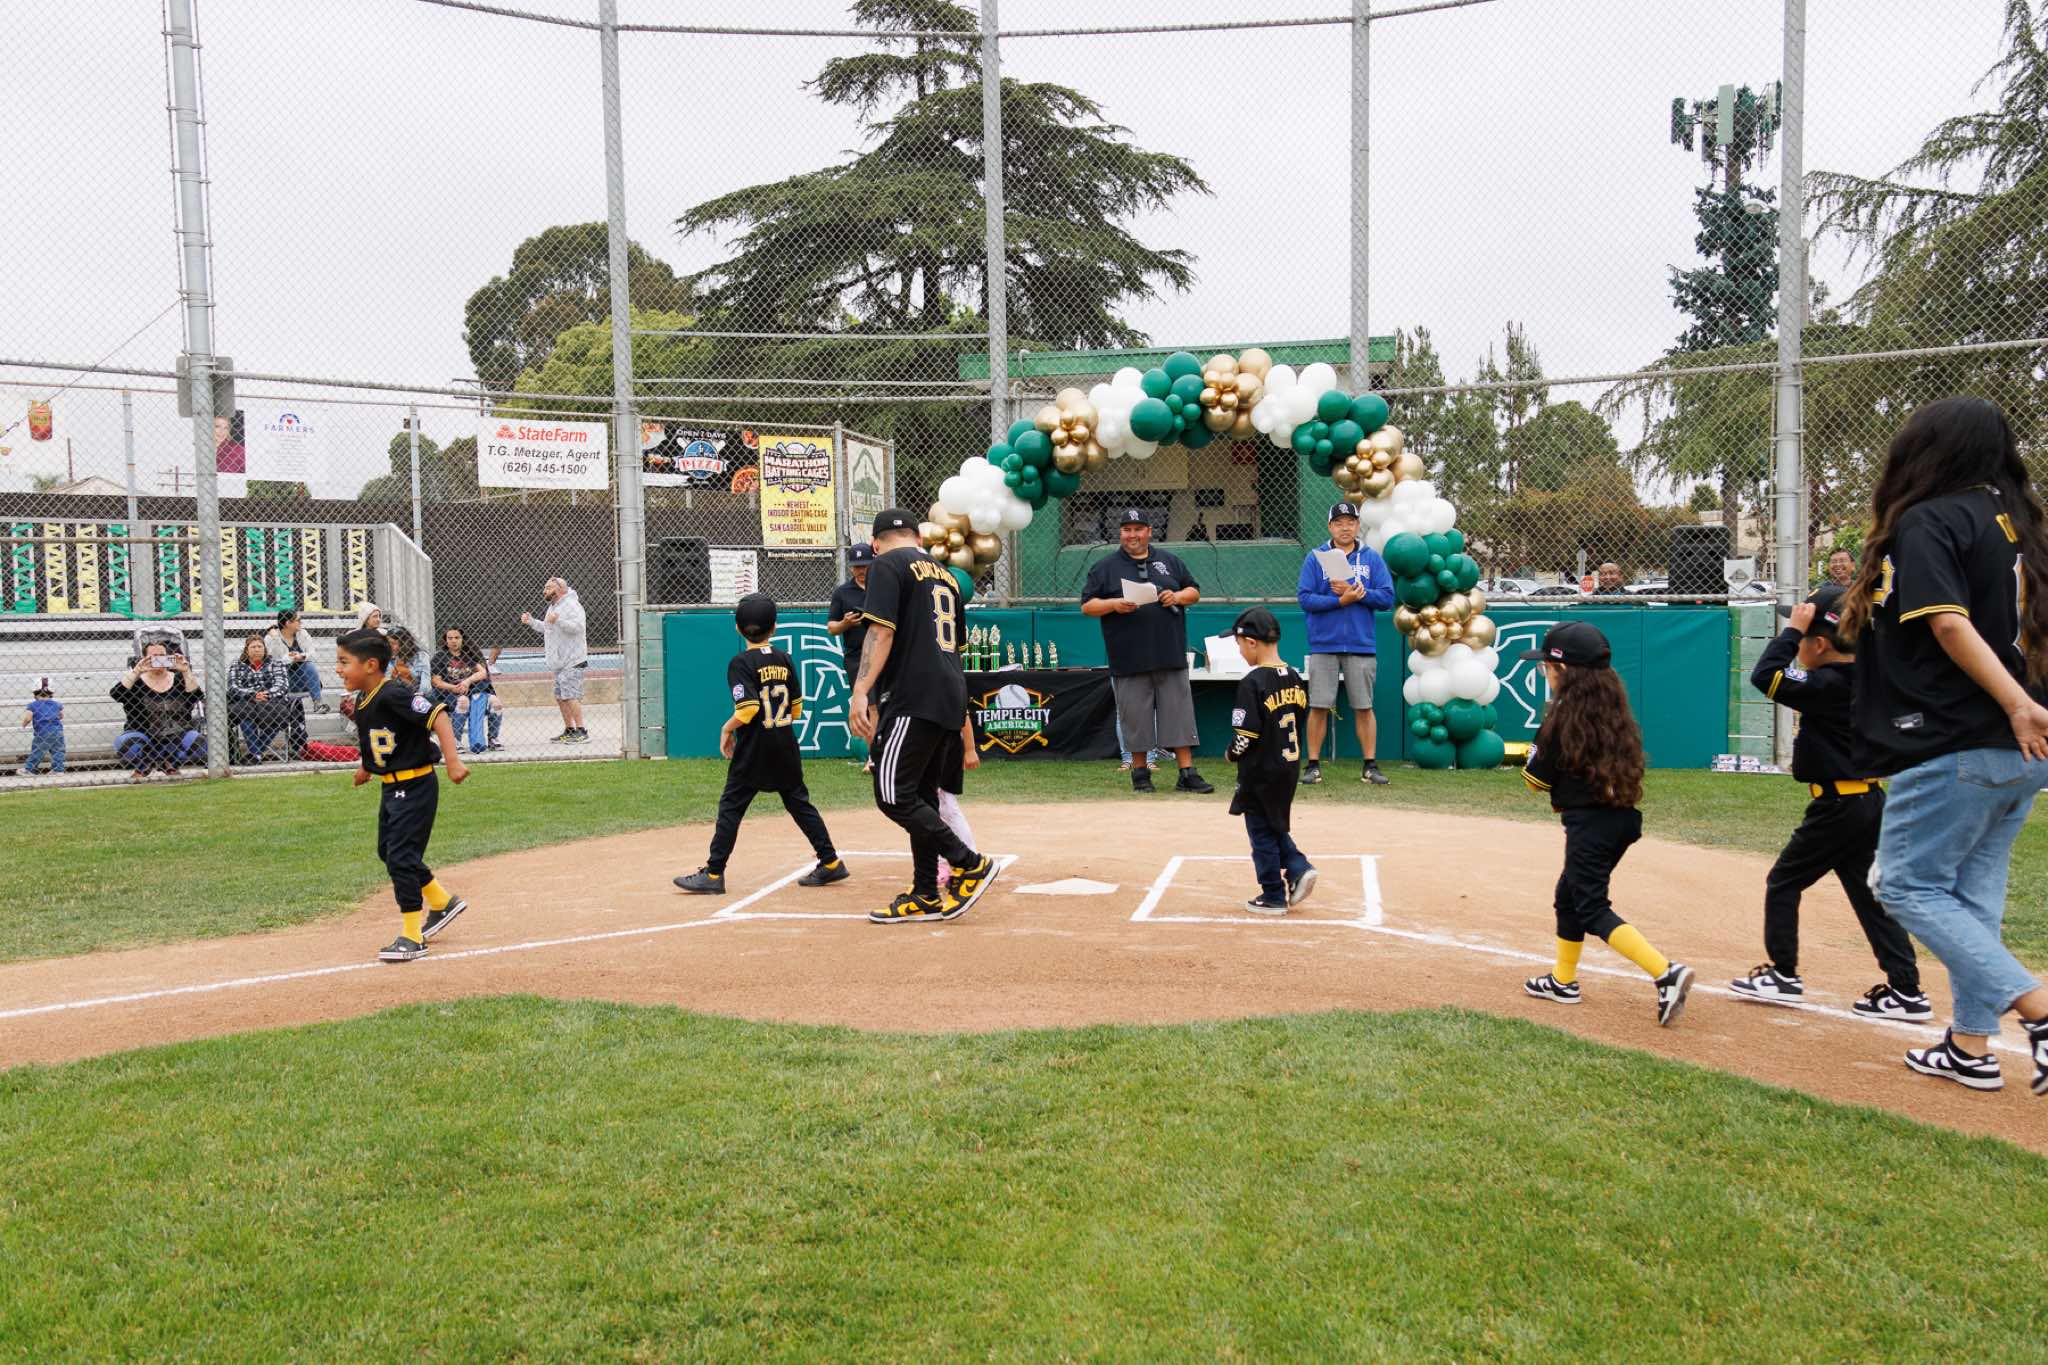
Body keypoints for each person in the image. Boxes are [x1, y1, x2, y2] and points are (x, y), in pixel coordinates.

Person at [1837, 395, 2048, 1095]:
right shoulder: (2020, 524)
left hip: (1958, 735)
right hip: (2019, 747)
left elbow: (1950, 624)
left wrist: (2015, 704)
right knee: (1971, 899)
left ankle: (2040, 1011)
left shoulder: (1932, 517)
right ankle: (1970, 1045)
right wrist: (2027, 706)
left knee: (1902, 884)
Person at [1730, 584, 1925, 1016]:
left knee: (1784, 881)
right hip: (1866, 802)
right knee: (1868, 895)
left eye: (1804, 638)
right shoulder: (1866, 678)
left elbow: (1766, 676)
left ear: (1819, 644)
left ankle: (1783, 973)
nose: (1799, 644)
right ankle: (1906, 989)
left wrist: (1790, 633)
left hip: (1839, 805)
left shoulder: (1829, 682)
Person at [1518, 621, 1696, 1026]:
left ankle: (1665, 972)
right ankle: (1563, 981)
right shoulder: (1613, 711)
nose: (1545, 673)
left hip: (1590, 825)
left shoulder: (1561, 717)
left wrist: (1534, 749)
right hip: (1621, 820)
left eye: (1547, 667)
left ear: (1563, 671)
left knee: (1591, 906)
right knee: (1568, 896)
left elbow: (1534, 781)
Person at [848, 507, 1000, 924]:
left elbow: (881, 631)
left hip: (914, 695)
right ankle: (925, 892)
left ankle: (969, 863)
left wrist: (860, 691)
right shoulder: (947, 575)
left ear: (875, 543)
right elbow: (955, 645)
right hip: (949, 693)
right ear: (919, 538)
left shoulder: (886, 565)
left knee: (893, 795)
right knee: (922, 797)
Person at [674, 593, 847, 895]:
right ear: (774, 627)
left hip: (754, 749)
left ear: (737, 628)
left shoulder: (740, 663)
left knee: (731, 807)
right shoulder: (785, 658)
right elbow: (796, 709)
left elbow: (748, 708)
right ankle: (830, 861)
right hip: (785, 744)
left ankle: (713, 873)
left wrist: (726, 729)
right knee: (799, 804)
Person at [334, 628, 471, 963]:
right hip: (392, 786)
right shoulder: (363, 699)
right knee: (389, 851)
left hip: (415, 786)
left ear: (370, 665)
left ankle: (412, 935)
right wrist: (366, 768)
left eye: (344, 662)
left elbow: (437, 715)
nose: (338, 669)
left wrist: (453, 761)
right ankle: (441, 902)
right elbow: (381, 738)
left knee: (400, 856)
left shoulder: (393, 693)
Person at [1079, 508, 1214, 795]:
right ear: (1120, 533)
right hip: (1128, 656)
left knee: (1178, 714)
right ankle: (1140, 774)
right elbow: (1088, 606)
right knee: (1135, 717)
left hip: (1169, 653)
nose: (1133, 535)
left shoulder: (1169, 561)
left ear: (1149, 532)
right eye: (1127, 530)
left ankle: (1187, 773)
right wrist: (1114, 604)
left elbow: (1194, 591)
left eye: (1138, 529)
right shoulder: (1105, 567)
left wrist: (1176, 596)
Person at [1296, 500, 1395, 786]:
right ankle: (1313, 765)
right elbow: (1305, 599)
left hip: (1360, 645)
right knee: (1318, 705)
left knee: (1364, 706)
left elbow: (1387, 598)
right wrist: (1340, 601)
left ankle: (1370, 765)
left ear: (1357, 526)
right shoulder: (1316, 557)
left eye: (1350, 522)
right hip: (1324, 644)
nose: (1345, 528)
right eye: (1339, 523)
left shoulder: (1371, 558)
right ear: (1330, 526)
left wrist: (1358, 594)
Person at [1225, 607, 1316, 915]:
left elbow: (1246, 736)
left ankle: (1273, 894)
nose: (1240, 651)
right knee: (1272, 822)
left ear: (1252, 642)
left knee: (1260, 831)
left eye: (1239, 644)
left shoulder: (1253, 682)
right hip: (1287, 766)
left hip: (1260, 770)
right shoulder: (1294, 677)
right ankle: (1298, 866)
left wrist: (1231, 754)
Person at [111, 643, 205, 779]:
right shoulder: (136, 682)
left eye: (162, 656)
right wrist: (137, 670)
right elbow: (117, 694)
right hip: (144, 735)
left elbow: (196, 696)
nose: (159, 659)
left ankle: (171, 762)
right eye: (153, 656)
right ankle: (144, 765)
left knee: (200, 743)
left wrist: (185, 671)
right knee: (125, 744)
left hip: (177, 734)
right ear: (144, 658)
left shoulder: (179, 678)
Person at [523, 577, 588, 744]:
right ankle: (569, 729)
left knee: (570, 695)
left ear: (560, 589)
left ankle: (581, 731)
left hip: (572, 658)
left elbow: (578, 627)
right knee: (560, 696)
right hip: (559, 661)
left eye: (548, 587)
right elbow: (547, 627)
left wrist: (558, 620)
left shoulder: (572, 605)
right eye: (545, 587)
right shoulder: (553, 607)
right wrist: (531, 622)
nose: (544, 590)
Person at [227, 635, 308, 763]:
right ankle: (257, 754)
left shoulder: (276, 663)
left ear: (265, 649)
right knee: (244, 715)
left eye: (260, 646)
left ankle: (256, 753)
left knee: (277, 714)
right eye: (253, 647)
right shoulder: (236, 665)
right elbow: (233, 686)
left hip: (271, 701)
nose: (257, 649)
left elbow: (282, 685)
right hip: (247, 701)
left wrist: (266, 694)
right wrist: (253, 694)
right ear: (246, 650)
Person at [828, 545, 874, 768]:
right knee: (868, 706)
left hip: (885, 653)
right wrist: (846, 623)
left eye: (864, 566)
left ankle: (879, 757)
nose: (861, 571)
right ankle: (874, 756)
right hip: (857, 657)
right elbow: (832, 628)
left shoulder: (884, 587)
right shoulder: (842, 592)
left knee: (881, 706)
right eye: (856, 567)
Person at [430, 626, 500, 755]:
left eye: (457, 637)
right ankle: (455, 741)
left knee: (496, 703)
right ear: (445, 640)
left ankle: (493, 738)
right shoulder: (440, 656)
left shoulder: (468, 654)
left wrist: (467, 681)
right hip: (448, 694)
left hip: (471, 692)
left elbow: (483, 673)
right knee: (463, 701)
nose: (453, 641)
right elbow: (436, 682)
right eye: (450, 638)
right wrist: (453, 687)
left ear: (462, 639)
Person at [265, 610, 329, 714]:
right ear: (288, 623)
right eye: (298, 620)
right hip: (281, 680)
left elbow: (313, 654)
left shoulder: (302, 633)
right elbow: (273, 661)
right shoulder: (270, 638)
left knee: (309, 665)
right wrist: (276, 639)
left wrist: (301, 656)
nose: (301, 622)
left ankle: (317, 703)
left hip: (301, 681)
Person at [21, 678, 64, 775]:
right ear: (51, 692)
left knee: (38, 751)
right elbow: (61, 716)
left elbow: (28, 718)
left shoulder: (32, 705)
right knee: (58, 750)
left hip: (43, 733)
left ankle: (29, 769)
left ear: (35, 692)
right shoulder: (57, 704)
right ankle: (58, 770)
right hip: (58, 731)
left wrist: (23, 725)